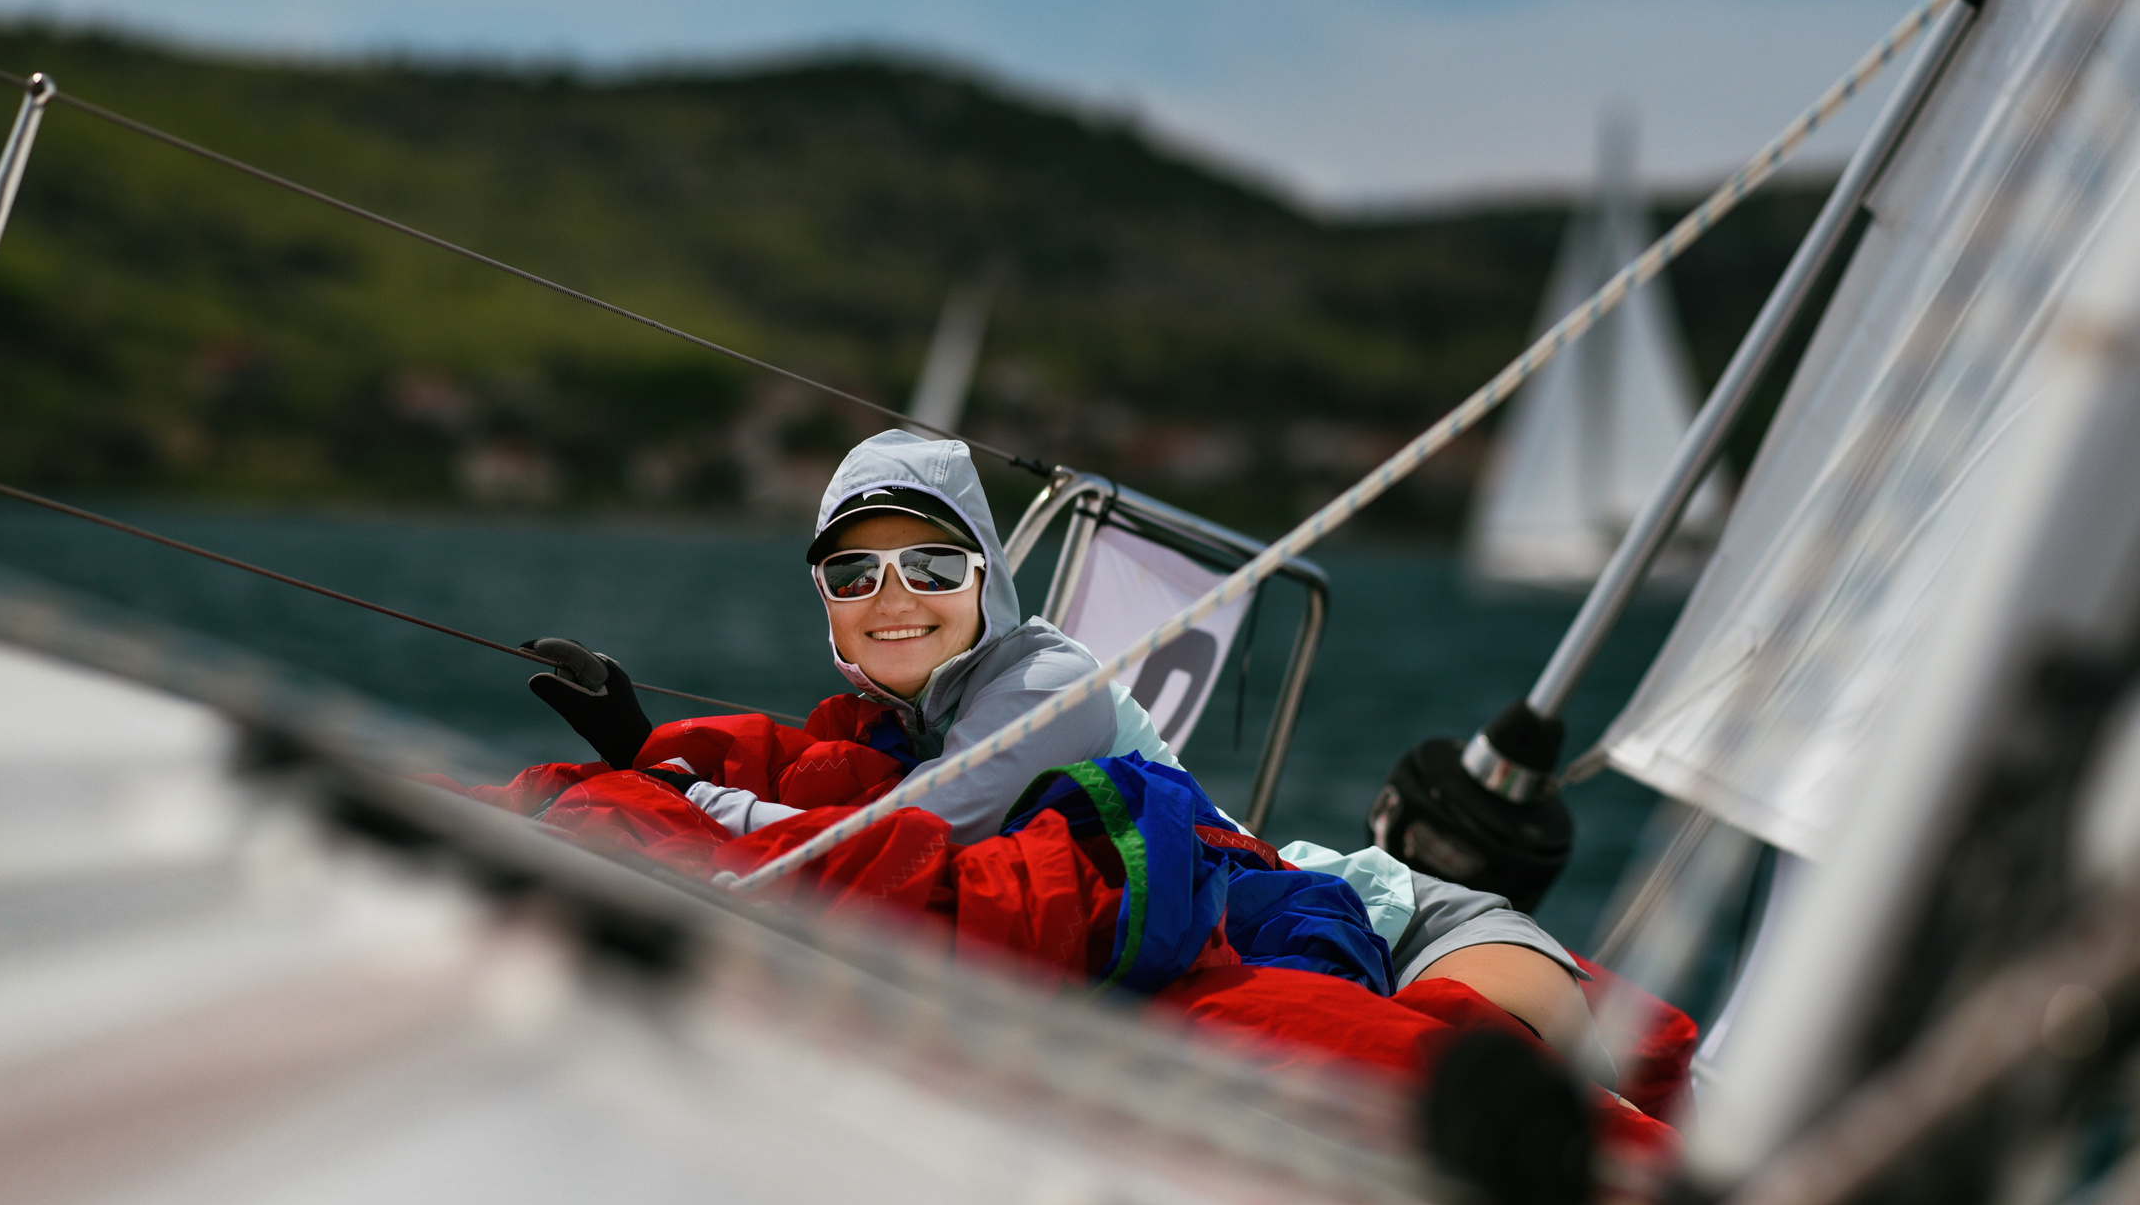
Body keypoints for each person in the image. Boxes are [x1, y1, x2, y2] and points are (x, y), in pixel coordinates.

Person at [524, 428, 1596, 1051]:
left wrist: (656, 774)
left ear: (991, 571)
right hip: (1298, 898)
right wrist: (648, 743)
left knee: (1592, 1105)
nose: (892, 596)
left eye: (934, 567)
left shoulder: (1047, 680)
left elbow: (876, 845)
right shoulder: (921, 708)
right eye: (852, 575)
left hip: (1400, 920)